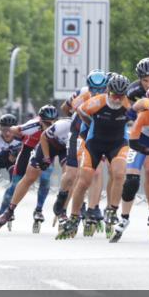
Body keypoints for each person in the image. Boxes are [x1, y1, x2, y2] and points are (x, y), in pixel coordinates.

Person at [59, 74, 132, 241]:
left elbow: (141, 113)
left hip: (118, 144)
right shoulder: (98, 101)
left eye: (121, 95)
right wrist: (91, 123)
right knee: (84, 180)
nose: (117, 99)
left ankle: (112, 210)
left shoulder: (128, 103)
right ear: (108, 91)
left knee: (120, 174)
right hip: (95, 144)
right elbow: (80, 110)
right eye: (114, 94)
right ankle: (74, 217)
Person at [0, 109, 71, 232]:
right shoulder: (33, 125)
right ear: (40, 121)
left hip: (61, 147)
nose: (49, 125)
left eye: (52, 122)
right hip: (38, 147)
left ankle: (58, 209)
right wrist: (19, 138)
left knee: (67, 176)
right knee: (24, 180)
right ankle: (7, 211)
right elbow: (14, 129)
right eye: (46, 123)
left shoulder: (65, 126)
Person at [117, 83, 149, 239]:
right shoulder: (143, 116)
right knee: (131, 180)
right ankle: (124, 217)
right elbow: (133, 143)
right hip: (142, 142)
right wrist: (148, 152)